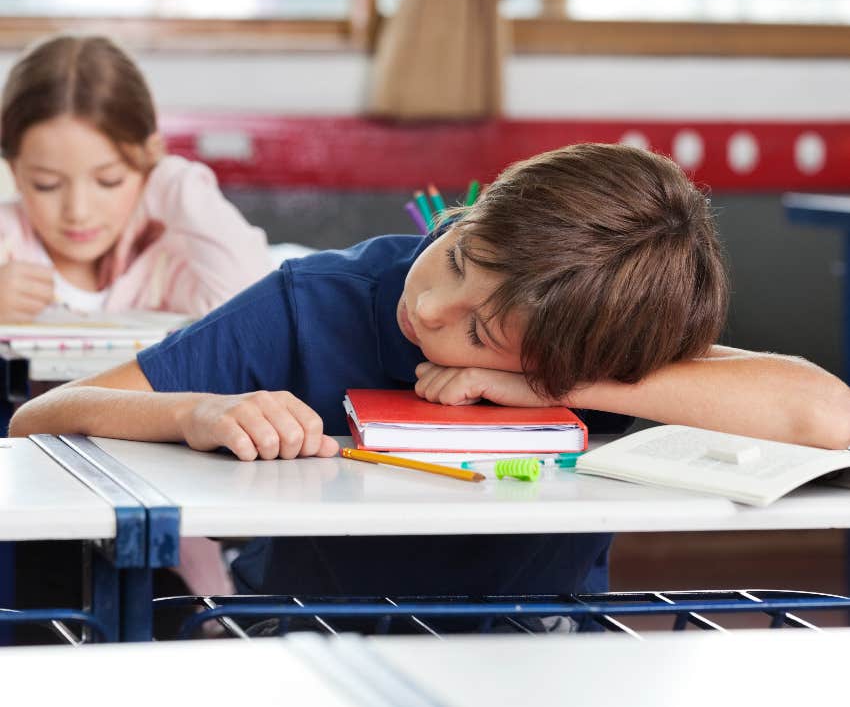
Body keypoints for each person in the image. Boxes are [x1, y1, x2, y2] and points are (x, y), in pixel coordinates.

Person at [10, 143, 850, 618]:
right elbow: (39, 418)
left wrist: (578, 384)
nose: (434, 307)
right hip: (307, 633)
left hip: (540, 641)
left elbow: (828, 414)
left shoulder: (598, 337)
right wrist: (197, 410)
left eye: (483, 331)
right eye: (456, 256)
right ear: (474, 212)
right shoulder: (321, 299)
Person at [1, 33, 274, 598]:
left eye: (109, 180)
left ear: (148, 162)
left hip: (158, 518)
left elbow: (251, 302)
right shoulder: (7, 248)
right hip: (26, 517)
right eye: (46, 184)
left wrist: (175, 181)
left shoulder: (167, 261)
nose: (78, 210)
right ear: (13, 169)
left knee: (177, 612)